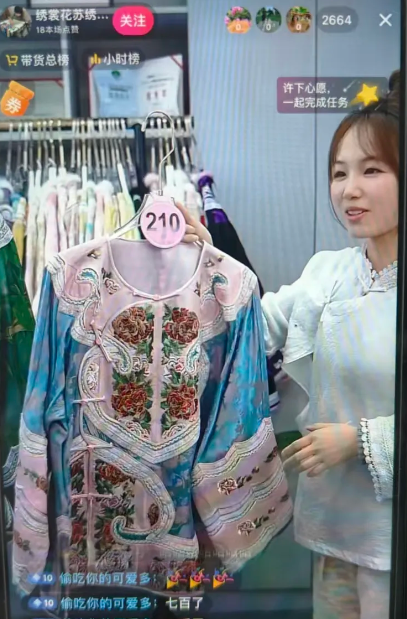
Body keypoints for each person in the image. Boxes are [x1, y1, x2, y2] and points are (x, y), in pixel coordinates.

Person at [178, 71, 399, 619]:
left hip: (390, 531)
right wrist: (206, 258)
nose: (349, 189)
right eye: (339, 172)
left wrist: (363, 440)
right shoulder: (328, 272)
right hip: (331, 522)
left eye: (372, 170)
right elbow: (253, 324)